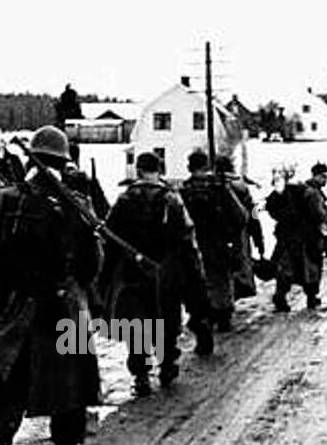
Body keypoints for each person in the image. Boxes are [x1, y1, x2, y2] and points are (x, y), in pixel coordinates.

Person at [0, 125, 102, 445]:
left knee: (4, 385)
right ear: (64, 161)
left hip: (13, 308)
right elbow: (92, 266)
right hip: (64, 307)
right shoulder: (78, 204)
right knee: (71, 385)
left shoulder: (3, 197)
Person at [100, 151, 207, 396]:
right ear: (160, 170)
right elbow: (187, 239)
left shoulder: (125, 199)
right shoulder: (172, 199)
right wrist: (193, 275)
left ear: (138, 171)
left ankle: (140, 376)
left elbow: (111, 239)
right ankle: (167, 364)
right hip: (167, 272)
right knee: (167, 319)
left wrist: (106, 277)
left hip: (133, 273)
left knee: (137, 324)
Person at [179, 150, 241, 332]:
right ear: (207, 166)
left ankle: (201, 316)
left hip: (192, 246)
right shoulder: (220, 188)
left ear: (189, 167)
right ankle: (222, 314)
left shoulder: (183, 191)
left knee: (196, 282)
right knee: (221, 280)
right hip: (219, 244)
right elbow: (240, 216)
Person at [267, 163, 327, 311]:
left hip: (288, 236)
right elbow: (318, 215)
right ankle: (311, 298)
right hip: (308, 238)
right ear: (316, 175)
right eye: (324, 177)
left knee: (287, 269)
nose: (325, 180)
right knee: (311, 268)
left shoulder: (296, 190)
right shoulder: (313, 193)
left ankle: (280, 297)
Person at [214, 154, 263, 301]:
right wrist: (259, 240)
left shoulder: (212, 186)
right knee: (239, 267)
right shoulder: (243, 187)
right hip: (240, 234)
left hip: (217, 235)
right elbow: (254, 215)